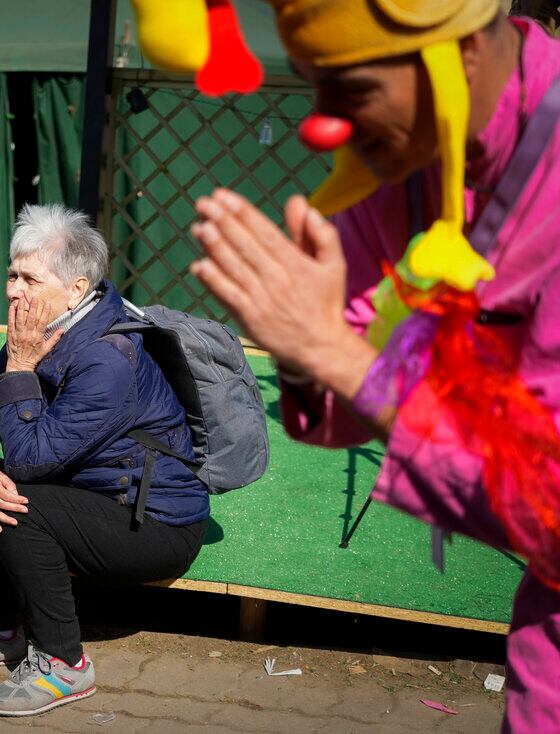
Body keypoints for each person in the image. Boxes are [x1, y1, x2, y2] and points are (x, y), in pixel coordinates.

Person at [189, 4, 559, 731]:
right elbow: (341, 405)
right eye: (309, 86)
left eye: (350, 89)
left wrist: (337, 353)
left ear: (463, 56)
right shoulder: (405, 167)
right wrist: (302, 346)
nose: (321, 126)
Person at [0, 203, 209, 717]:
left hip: (152, 522)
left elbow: (29, 461)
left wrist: (19, 368)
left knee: (22, 501)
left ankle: (64, 662)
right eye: (12, 274)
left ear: (77, 289)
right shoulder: (40, 326)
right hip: (86, 492)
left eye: (29, 279)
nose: (13, 291)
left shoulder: (106, 359)